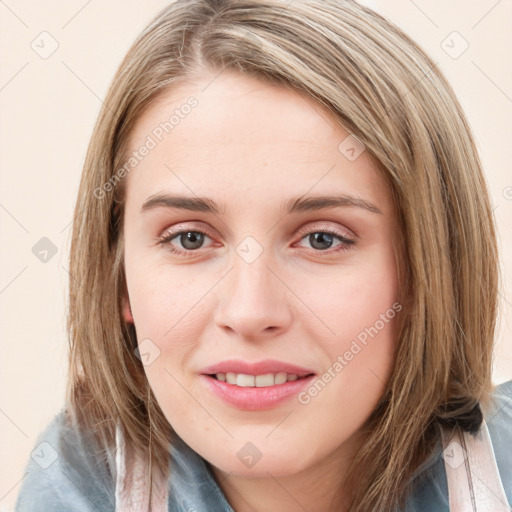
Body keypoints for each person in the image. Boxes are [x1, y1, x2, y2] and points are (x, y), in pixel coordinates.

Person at [15, 0, 512, 511]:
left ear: (431, 268)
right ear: (120, 277)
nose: (250, 312)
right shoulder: (73, 484)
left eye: (323, 239)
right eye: (189, 238)